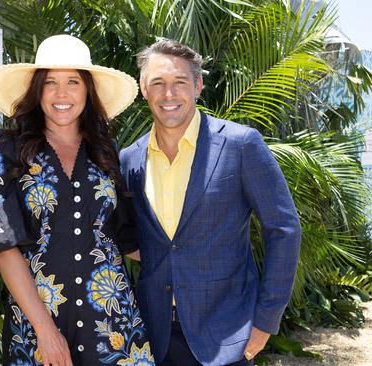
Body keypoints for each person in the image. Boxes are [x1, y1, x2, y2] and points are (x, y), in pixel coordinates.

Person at [0, 34, 154, 366]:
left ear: (87, 91)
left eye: (73, 82)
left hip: (113, 326)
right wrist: (45, 330)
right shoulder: (6, 149)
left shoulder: (105, 153)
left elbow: (125, 238)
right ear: (38, 91)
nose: (61, 93)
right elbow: (2, 245)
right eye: (50, 82)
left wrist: (193, 264)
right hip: (38, 329)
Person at [120, 39, 301, 366]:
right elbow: (126, 235)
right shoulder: (129, 159)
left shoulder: (241, 145)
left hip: (226, 336)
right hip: (153, 336)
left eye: (180, 82)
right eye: (158, 83)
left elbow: (283, 229)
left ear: (198, 85)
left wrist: (264, 323)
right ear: (144, 89)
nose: (169, 93)